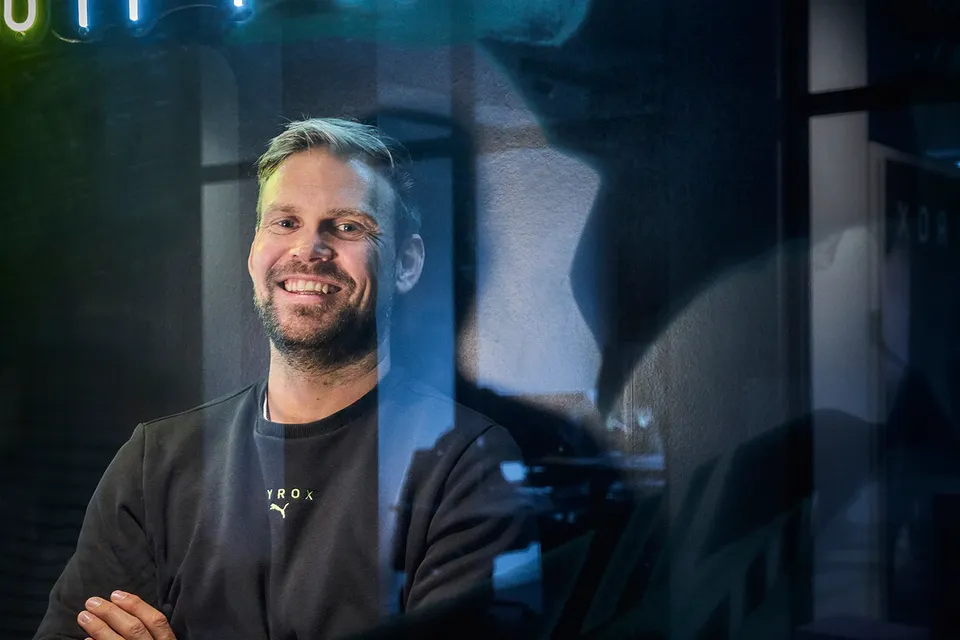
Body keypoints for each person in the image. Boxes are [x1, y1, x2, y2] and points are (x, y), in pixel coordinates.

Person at [34, 118, 541, 639]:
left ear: (406, 263)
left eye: (348, 226)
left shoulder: (467, 464)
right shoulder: (154, 462)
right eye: (285, 222)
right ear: (255, 250)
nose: (309, 249)